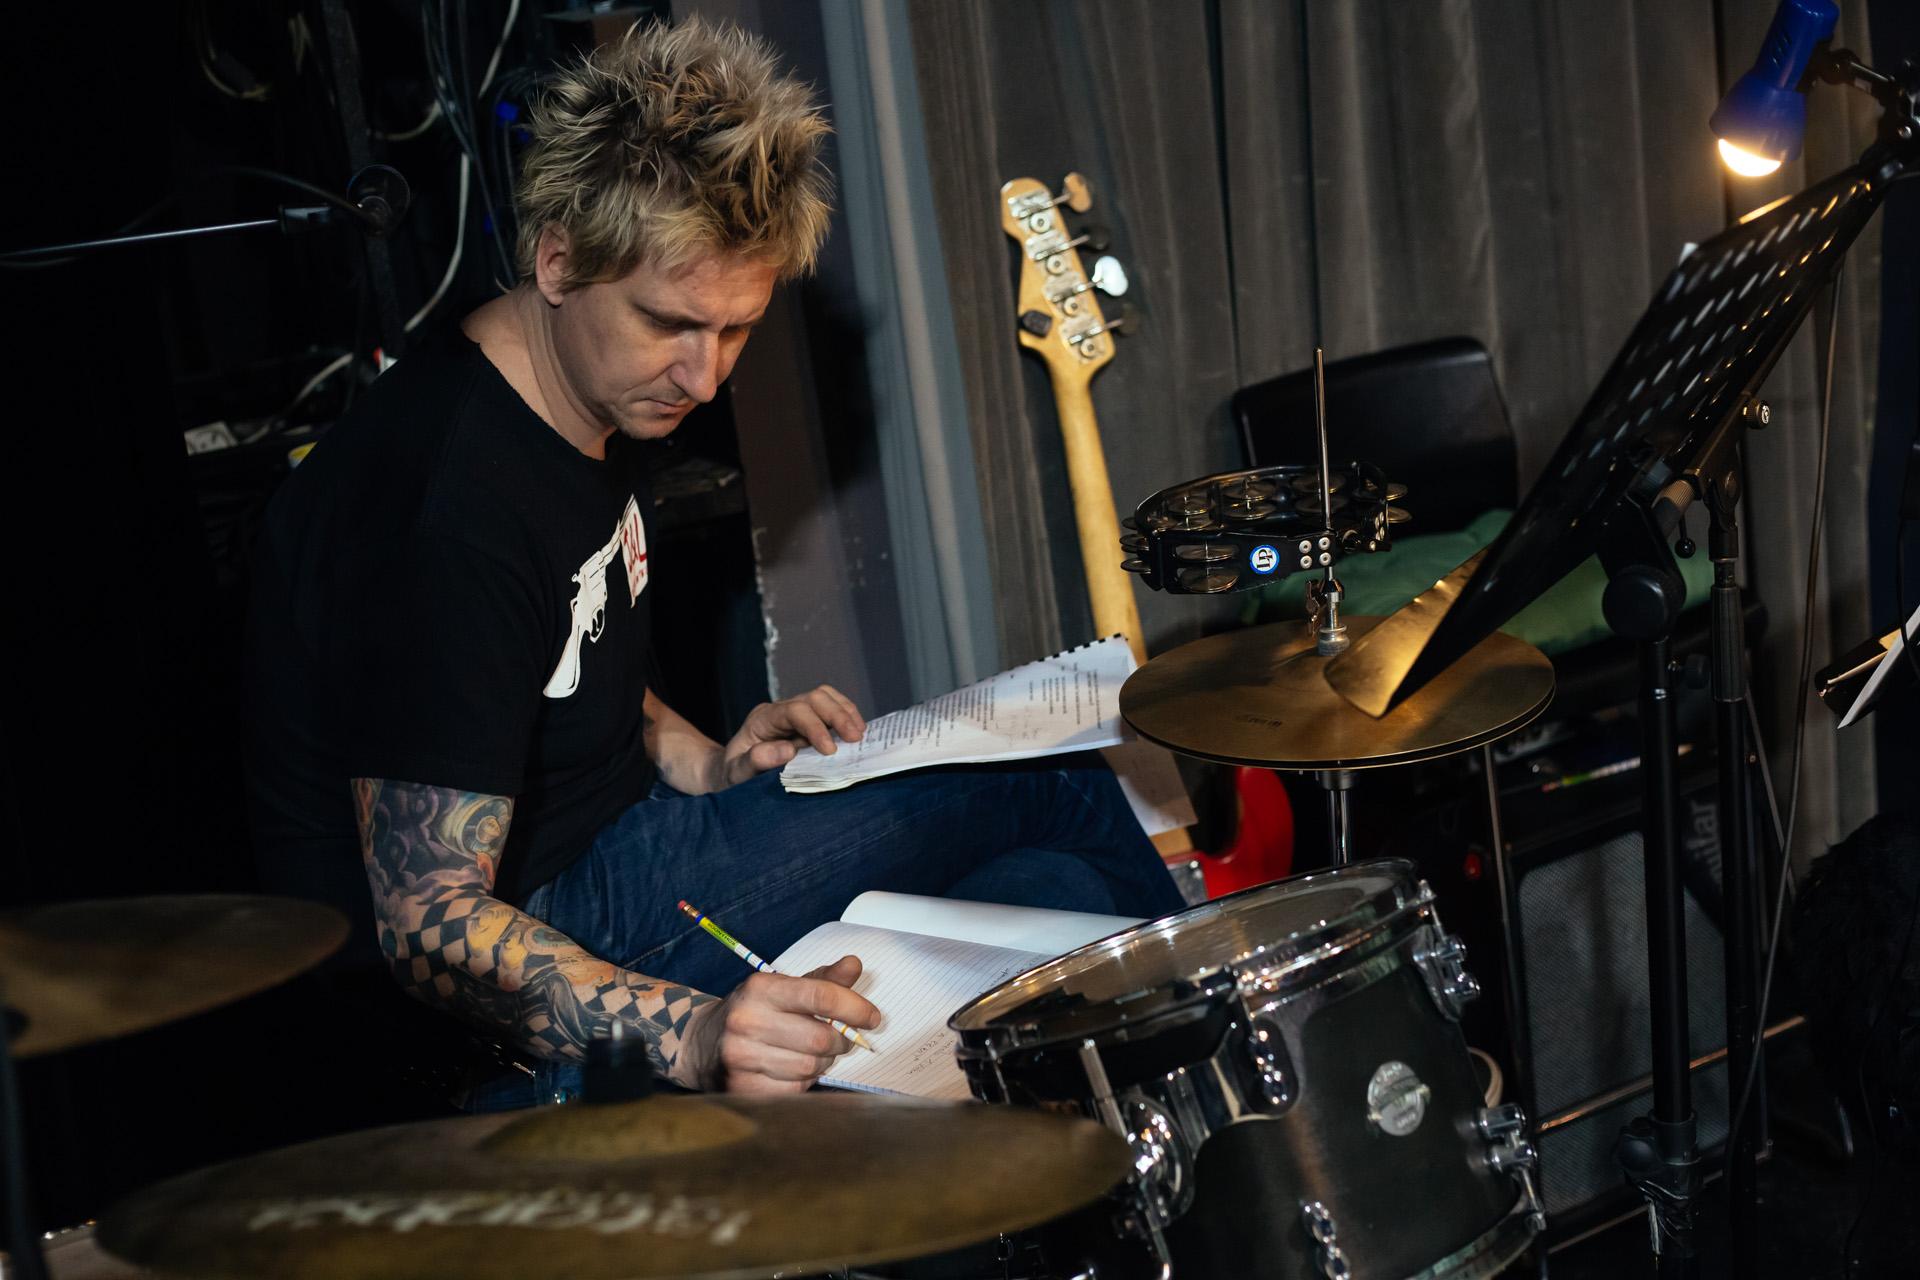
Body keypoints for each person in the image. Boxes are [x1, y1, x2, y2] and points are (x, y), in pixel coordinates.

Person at [244, 17, 1182, 1108]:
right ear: (558, 259)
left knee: (1050, 896)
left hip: (631, 846)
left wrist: (702, 759)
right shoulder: (443, 513)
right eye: (673, 324)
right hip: (533, 947)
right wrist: (691, 1035)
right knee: (1053, 782)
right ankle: (1223, 1114)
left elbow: (559, 648)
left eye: (737, 330)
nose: (704, 376)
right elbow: (427, 926)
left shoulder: (586, 386)